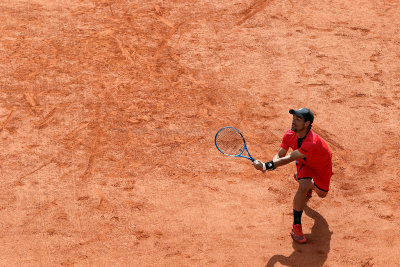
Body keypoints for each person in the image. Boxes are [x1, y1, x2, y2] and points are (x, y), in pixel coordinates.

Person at [253, 108, 333, 244]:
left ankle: (307, 183)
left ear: (307, 123)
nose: (294, 121)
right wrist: (269, 164)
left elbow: (289, 158)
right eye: (294, 117)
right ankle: (296, 226)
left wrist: (266, 166)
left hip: (321, 167)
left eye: (298, 119)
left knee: (322, 194)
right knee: (303, 186)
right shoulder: (289, 135)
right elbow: (280, 155)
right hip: (304, 163)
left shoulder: (311, 143)